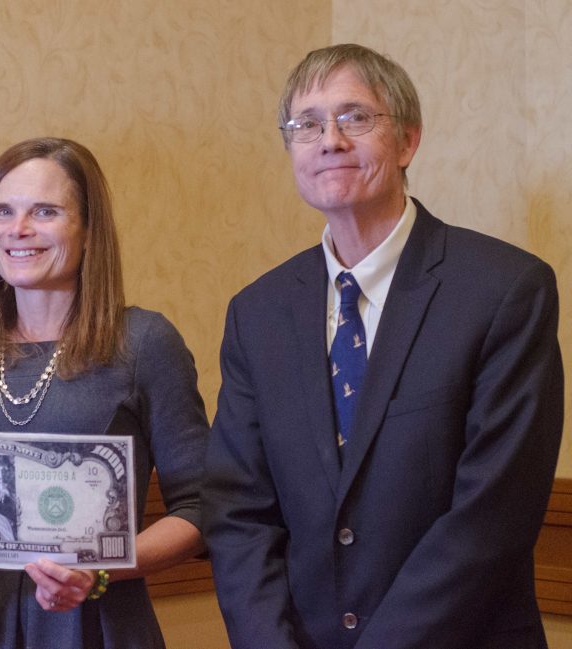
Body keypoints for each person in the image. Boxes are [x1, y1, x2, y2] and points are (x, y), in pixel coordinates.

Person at [202, 43, 564, 649]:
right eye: (307, 125)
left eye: (355, 118)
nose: (330, 141)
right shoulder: (257, 313)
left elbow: (492, 517)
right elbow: (239, 512)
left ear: (407, 142)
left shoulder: (505, 290)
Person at [0, 137, 209, 648]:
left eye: (45, 211)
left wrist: (99, 570)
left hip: (100, 626)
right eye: (2, 211)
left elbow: (200, 508)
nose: (19, 230)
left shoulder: (144, 343)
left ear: (87, 231)